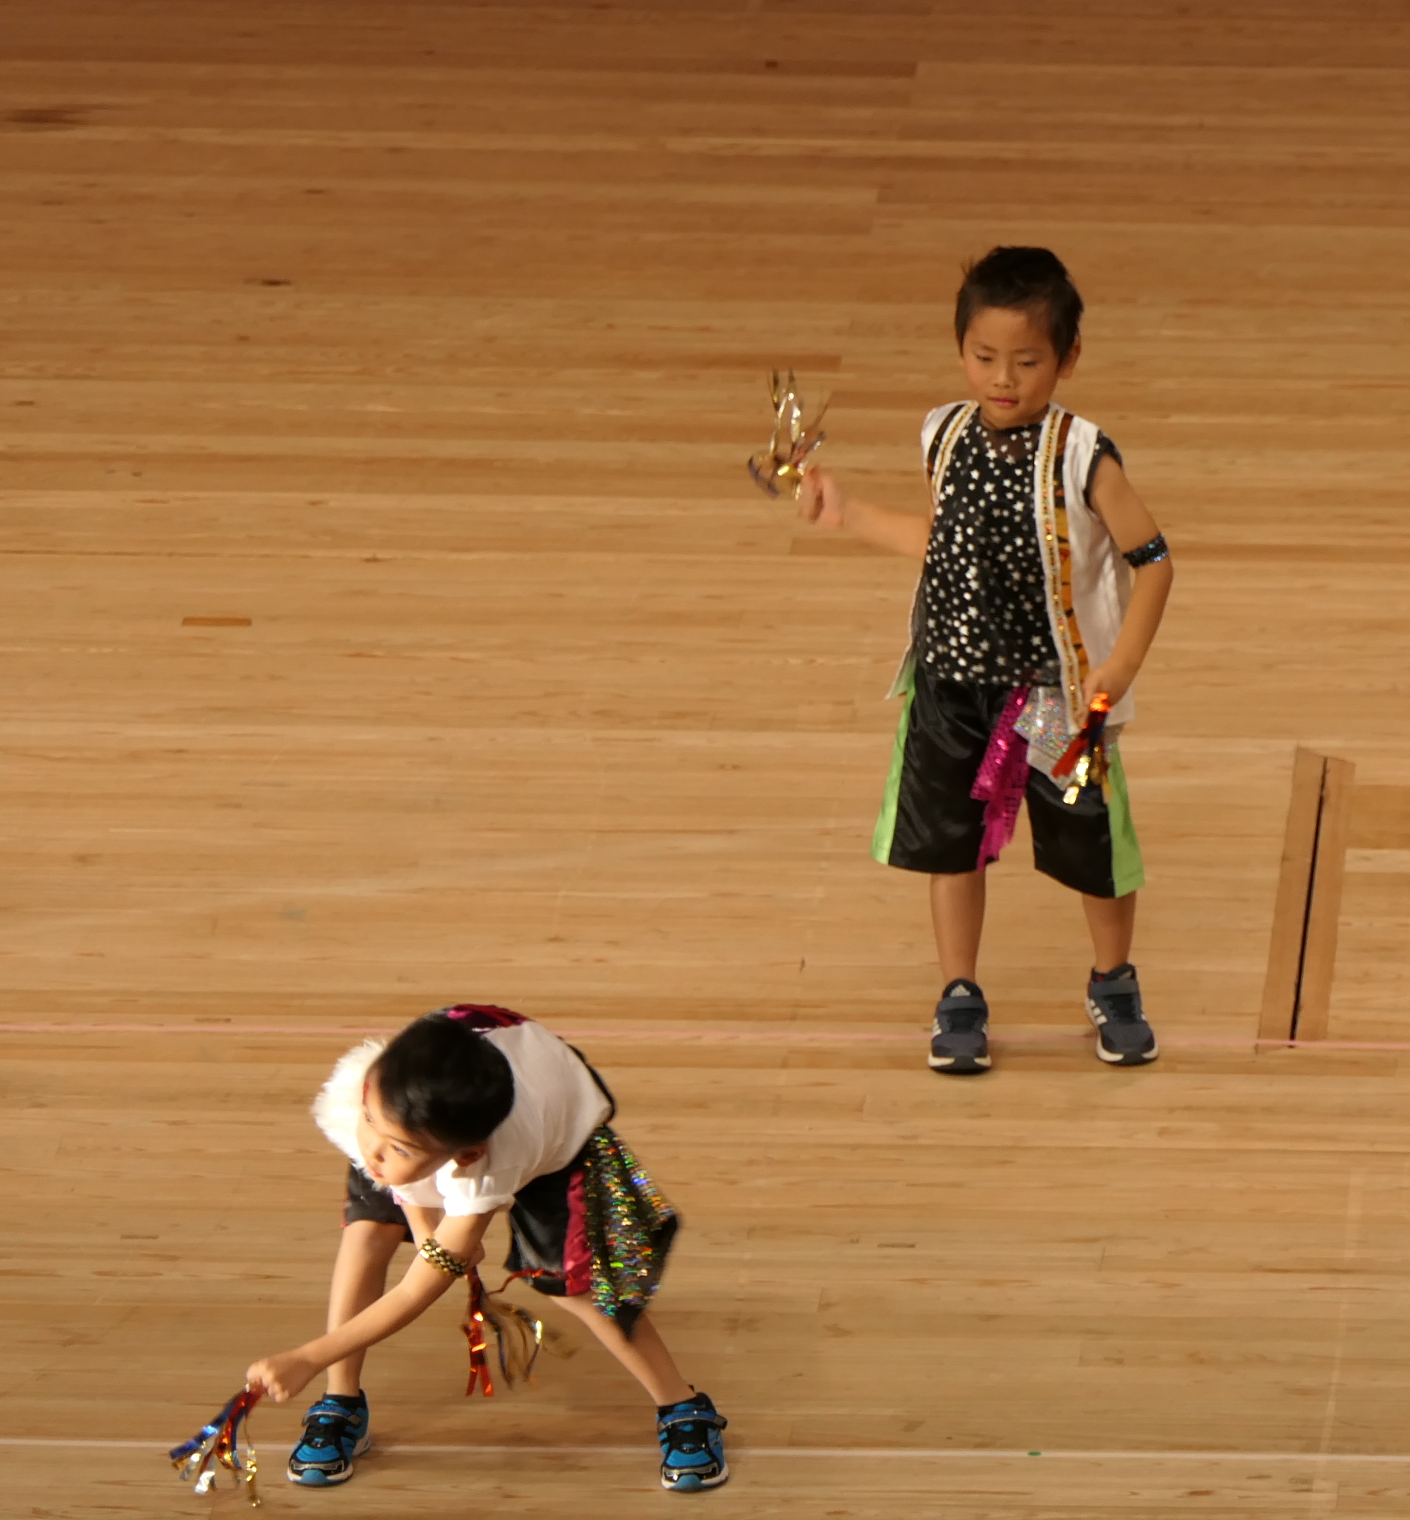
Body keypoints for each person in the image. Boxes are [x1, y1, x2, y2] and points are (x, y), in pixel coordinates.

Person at [796, 247, 1174, 1074]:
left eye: (1028, 360)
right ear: (960, 347)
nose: (1004, 378)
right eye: (984, 356)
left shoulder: (1084, 456)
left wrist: (1122, 664)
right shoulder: (943, 432)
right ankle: (959, 993)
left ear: (1068, 357)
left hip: (1054, 697)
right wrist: (847, 511)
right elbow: (943, 543)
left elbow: (1153, 560)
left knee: (1093, 845)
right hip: (950, 687)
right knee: (952, 846)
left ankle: (1113, 982)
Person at [249, 1006, 728, 1492]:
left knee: (578, 1286)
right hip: (455, 1096)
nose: (373, 1150)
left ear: (466, 1155)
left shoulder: (492, 1163)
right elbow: (404, 1181)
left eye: (399, 1149)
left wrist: (308, 1355)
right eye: (368, 1120)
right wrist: (432, 1234)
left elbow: (417, 1289)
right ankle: (341, 1401)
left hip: (560, 1139)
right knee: (368, 1234)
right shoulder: (390, 1092)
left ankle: (683, 1405)